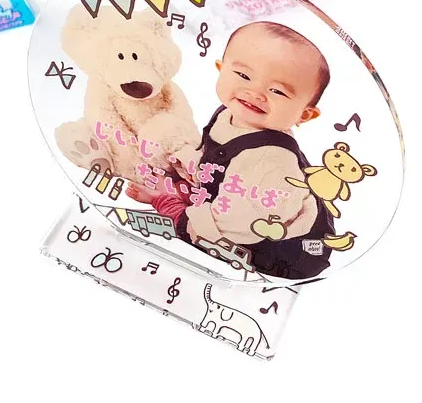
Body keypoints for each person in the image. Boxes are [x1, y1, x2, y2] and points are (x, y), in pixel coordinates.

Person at [128, 21, 335, 280]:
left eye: (277, 91)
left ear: (304, 114)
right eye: (244, 76)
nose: (255, 93)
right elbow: (217, 156)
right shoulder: (231, 114)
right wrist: (188, 165)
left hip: (283, 250)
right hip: (246, 204)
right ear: (221, 69)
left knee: (202, 227)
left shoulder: (272, 162)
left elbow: (234, 226)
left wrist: (175, 211)